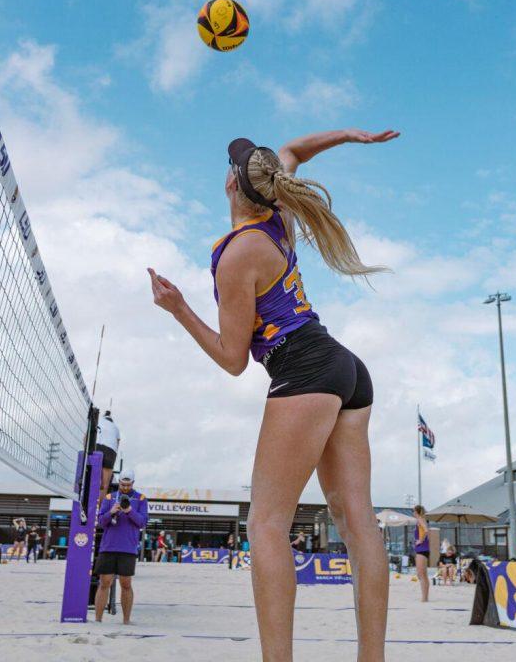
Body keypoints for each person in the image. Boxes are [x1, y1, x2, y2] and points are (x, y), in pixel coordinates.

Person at [148, 129, 398, 661]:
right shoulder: (278, 213)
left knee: (266, 524)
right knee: (359, 522)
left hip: (303, 369)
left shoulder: (240, 252)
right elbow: (294, 152)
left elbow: (233, 359)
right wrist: (351, 136)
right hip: (344, 366)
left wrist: (179, 309)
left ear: (232, 186)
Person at [94, 470, 147, 624]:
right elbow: (101, 522)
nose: (125, 487)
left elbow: (142, 522)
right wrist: (111, 512)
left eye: (128, 484)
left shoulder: (141, 498)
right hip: (108, 546)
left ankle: (126, 620)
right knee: (104, 582)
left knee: (126, 584)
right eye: (122, 484)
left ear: (133, 483)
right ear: (119, 482)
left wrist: (129, 510)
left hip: (128, 548)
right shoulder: (110, 497)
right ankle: (98, 619)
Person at [96, 409, 120, 497]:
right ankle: (100, 509)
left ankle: (87, 506)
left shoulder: (98, 420)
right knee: (105, 486)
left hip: (96, 446)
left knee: (91, 480)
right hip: (110, 450)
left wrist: (87, 454)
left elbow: (85, 437)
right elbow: (117, 445)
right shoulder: (116, 428)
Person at [412, 505, 431, 603]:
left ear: (417, 512)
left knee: (421, 575)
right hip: (422, 549)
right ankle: (425, 597)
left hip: (422, 549)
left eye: (413, 511)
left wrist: (420, 540)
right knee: (423, 575)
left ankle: (424, 598)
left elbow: (426, 530)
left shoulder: (420, 519)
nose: (412, 513)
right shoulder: (421, 520)